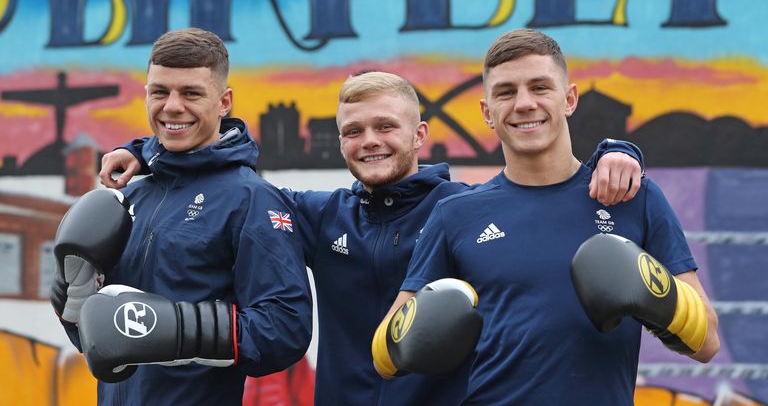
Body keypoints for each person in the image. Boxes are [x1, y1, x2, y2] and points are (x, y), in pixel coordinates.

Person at [100, 70, 644, 405]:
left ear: (420, 135)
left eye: (386, 127)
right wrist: (146, 149)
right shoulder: (318, 214)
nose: (370, 141)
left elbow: (542, 192)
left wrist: (618, 154)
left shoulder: (467, 210)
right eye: (353, 131)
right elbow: (230, 176)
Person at [377, 29, 719, 405]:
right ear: (487, 112)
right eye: (506, 92)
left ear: (569, 99)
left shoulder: (632, 196)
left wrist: (656, 299)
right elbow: (387, 354)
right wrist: (421, 334)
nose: (524, 103)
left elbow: (707, 343)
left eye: (540, 87)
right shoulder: (455, 214)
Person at [53, 28, 312, 405]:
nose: (173, 106)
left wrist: (180, 329)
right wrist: (72, 298)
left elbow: (286, 329)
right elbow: (99, 340)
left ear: (224, 102)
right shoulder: (129, 197)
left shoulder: (251, 199)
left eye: (191, 93)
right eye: (160, 92)